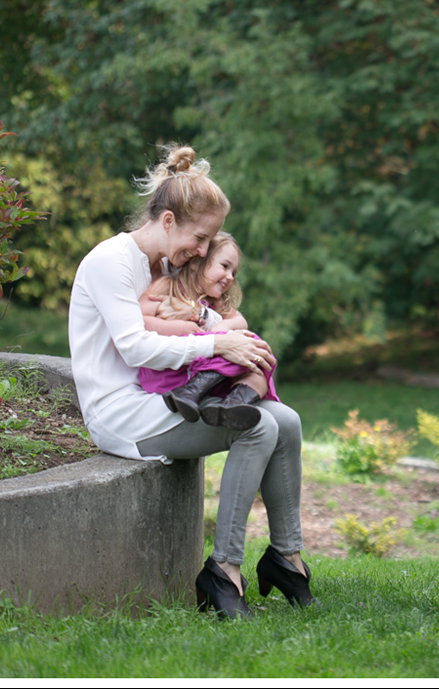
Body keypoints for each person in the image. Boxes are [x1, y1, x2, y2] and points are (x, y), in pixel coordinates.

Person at [67, 144, 315, 619]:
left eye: (209, 243)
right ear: (166, 221)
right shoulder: (110, 262)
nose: (203, 252)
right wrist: (217, 346)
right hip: (123, 413)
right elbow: (135, 347)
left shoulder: (164, 265)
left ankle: (287, 557)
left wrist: (231, 337)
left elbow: (199, 318)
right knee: (258, 427)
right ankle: (223, 570)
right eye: (200, 238)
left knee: (286, 419)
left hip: (162, 395)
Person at [136, 231, 279, 432]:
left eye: (234, 273)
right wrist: (177, 328)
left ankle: (231, 407)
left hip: (201, 374)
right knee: (248, 342)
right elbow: (139, 320)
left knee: (256, 361)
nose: (230, 277)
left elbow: (241, 321)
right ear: (196, 262)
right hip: (169, 371)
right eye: (224, 266)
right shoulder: (169, 287)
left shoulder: (214, 302)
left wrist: (220, 330)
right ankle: (188, 393)